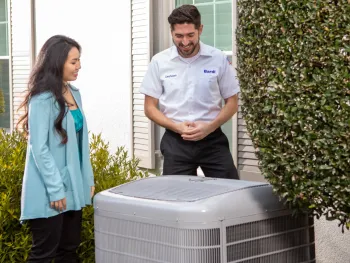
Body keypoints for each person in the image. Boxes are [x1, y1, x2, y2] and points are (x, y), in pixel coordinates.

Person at [17, 35, 95, 263]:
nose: (79, 66)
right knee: (43, 255)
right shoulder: (42, 100)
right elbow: (38, 148)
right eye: (73, 62)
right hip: (50, 190)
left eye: (79, 60)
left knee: (68, 252)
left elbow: (82, 143)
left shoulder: (75, 93)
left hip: (73, 186)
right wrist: (55, 189)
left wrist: (87, 179)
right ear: (56, 62)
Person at [140, 5, 240, 179]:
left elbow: (232, 103)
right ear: (171, 32)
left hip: (212, 139)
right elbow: (150, 107)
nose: (185, 42)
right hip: (175, 141)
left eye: (190, 35)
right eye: (179, 36)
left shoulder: (218, 59)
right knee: (177, 197)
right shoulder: (159, 62)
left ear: (200, 29)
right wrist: (176, 127)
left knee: (230, 190)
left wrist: (209, 127)